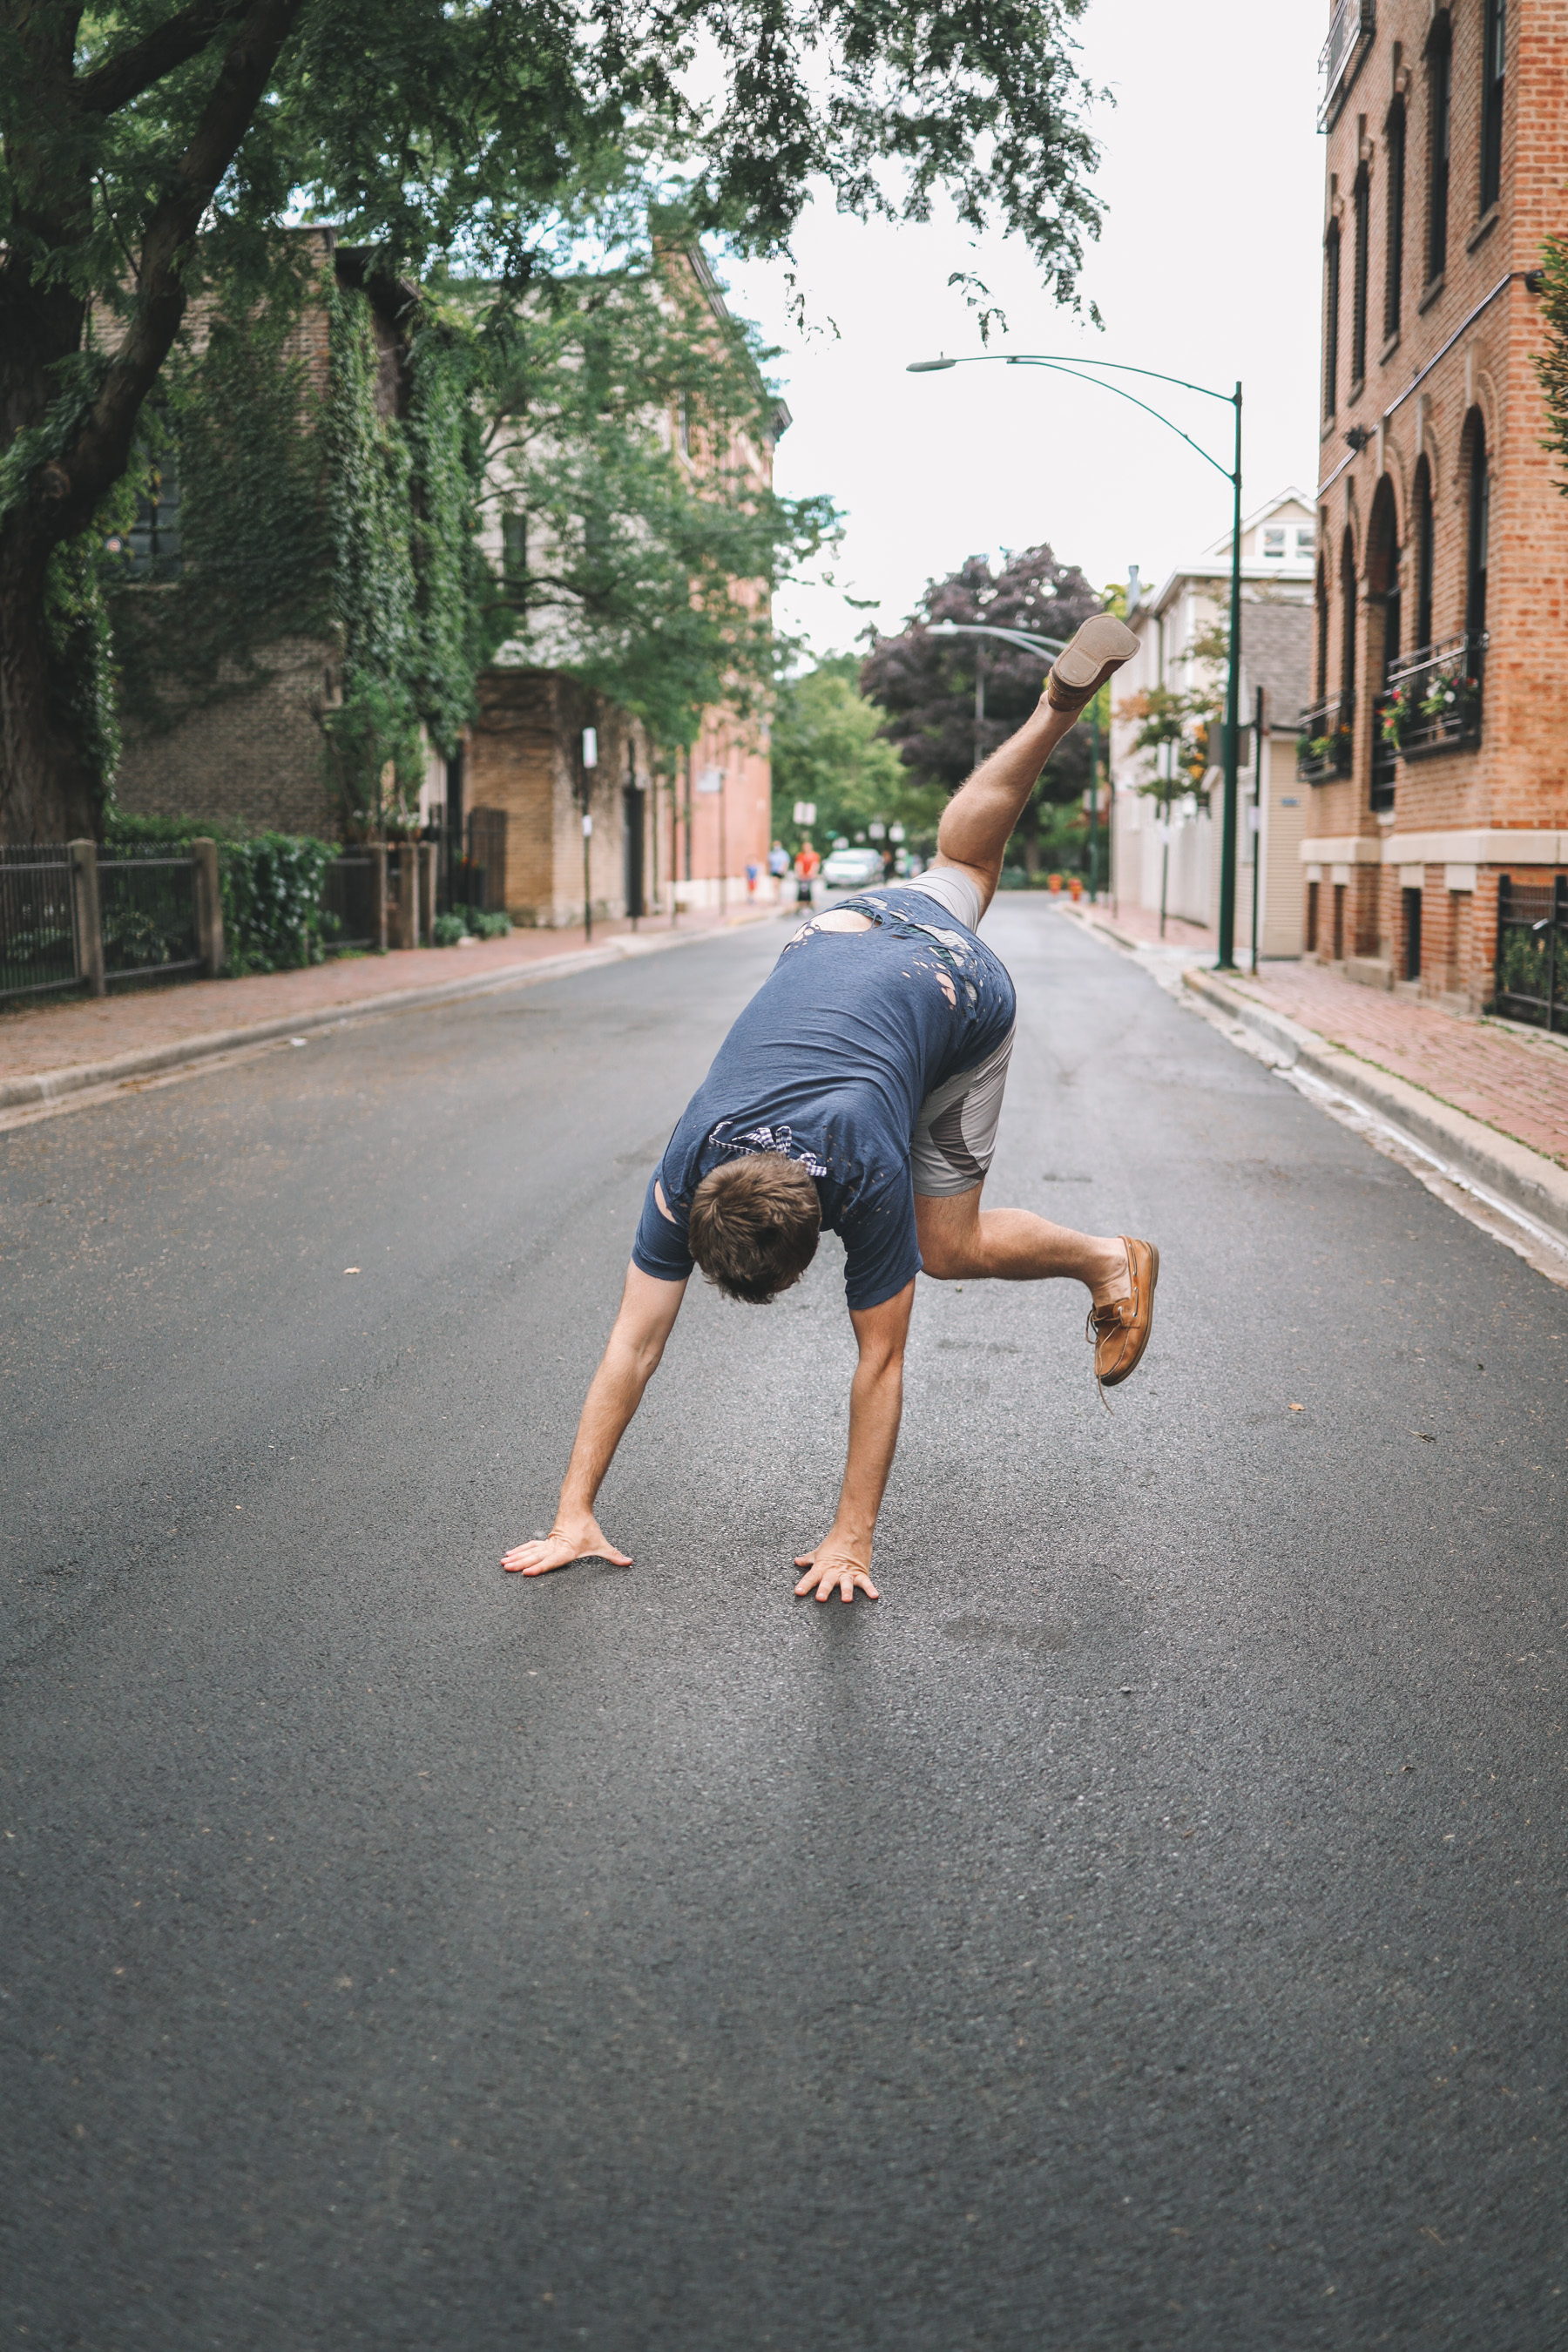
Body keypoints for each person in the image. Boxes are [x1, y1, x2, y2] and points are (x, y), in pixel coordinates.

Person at [503, 613, 1155, 1605]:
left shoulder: (864, 1170)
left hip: (959, 997)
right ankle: (1051, 712)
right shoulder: (692, 1157)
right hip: (859, 925)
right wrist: (573, 1514)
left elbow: (879, 1363)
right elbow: (635, 1344)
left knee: (946, 1247)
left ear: (828, 1224)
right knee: (965, 862)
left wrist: (853, 1541)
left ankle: (1108, 1257)